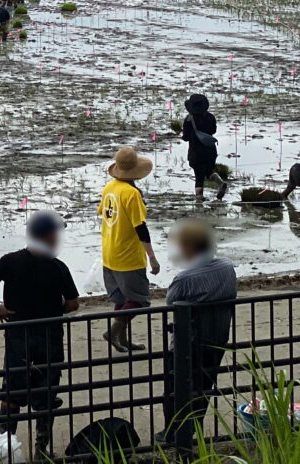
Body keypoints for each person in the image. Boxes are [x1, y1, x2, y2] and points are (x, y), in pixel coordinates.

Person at [0, 211, 79, 457]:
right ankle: (41, 451)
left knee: (12, 391)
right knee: (46, 393)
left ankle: (4, 447)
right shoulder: (58, 267)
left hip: (17, 335)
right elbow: (73, 303)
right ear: (48, 236)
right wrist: (56, 310)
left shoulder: (11, 261)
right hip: (49, 337)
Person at [157, 221, 237, 450]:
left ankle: (173, 433)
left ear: (190, 248)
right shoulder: (226, 267)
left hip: (188, 343)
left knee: (175, 389)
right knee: (204, 386)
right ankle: (195, 428)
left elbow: (171, 302)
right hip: (218, 337)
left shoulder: (184, 279)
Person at [99, 146, 160, 353]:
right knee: (140, 300)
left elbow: (103, 213)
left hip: (109, 252)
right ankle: (114, 331)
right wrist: (152, 258)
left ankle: (122, 340)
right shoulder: (132, 194)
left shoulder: (110, 187)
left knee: (122, 299)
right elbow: (140, 228)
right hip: (127, 257)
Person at [181, 93, 227, 200]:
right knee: (209, 171)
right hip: (210, 150)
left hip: (196, 152)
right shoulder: (210, 117)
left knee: (198, 176)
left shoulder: (189, 119)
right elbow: (213, 131)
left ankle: (199, 197)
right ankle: (220, 182)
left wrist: (183, 136)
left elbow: (186, 137)